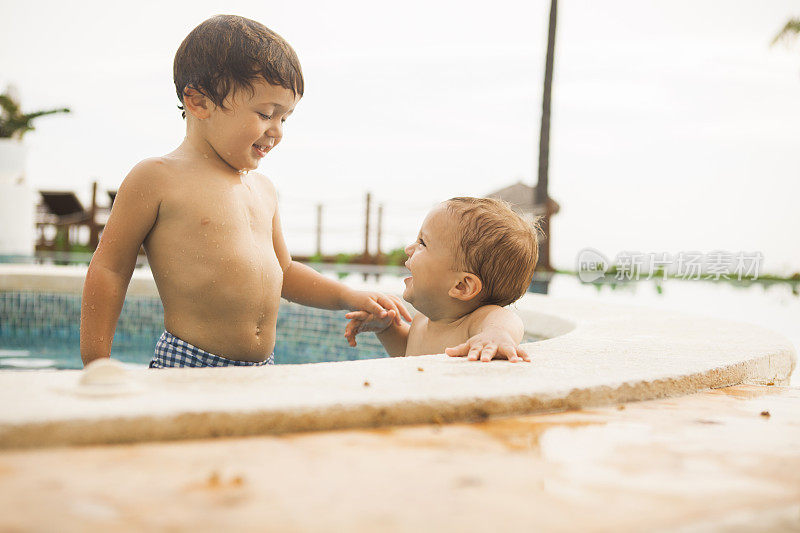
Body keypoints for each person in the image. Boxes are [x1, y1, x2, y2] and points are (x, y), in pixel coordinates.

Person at [80, 15, 409, 368]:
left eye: (285, 118)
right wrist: (97, 362)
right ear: (198, 101)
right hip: (190, 364)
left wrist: (348, 295)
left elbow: (286, 272)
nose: (278, 130)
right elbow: (110, 269)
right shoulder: (158, 177)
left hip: (261, 368)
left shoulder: (263, 190)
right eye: (266, 113)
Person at [344, 197, 538, 362]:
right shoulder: (422, 322)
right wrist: (387, 329)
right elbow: (407, 355)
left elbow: (506, 320)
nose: (408, 249)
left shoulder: (476, 323)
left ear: (462, 286)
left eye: (422, 243)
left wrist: (497, 336)